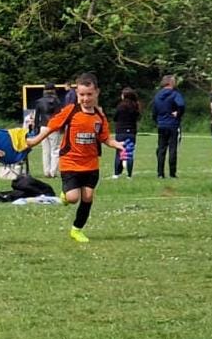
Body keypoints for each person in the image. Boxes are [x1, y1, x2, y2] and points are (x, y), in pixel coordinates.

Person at [25, 73, 128, 243]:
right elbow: (51, 127)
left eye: (89, 94)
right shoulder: (70, 111)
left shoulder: (100, 117)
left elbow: (105, 138)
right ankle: (65, 195)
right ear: (77, 94)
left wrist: (116, 144)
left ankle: (77, 230)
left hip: (91, 164)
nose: (85, 98)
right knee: (73, 198)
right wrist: (34, 140)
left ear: (97, 93)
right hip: (70, 162)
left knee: (87, 197)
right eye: (82, 95)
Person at [151, 74, 185, 179]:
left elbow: (154, 111)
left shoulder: (157, 96)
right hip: (173, 124)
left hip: (161, 125)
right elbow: (181, 105)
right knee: (172, 149)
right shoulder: (175, 94)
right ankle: (172, 173)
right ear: (170, 83)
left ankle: (160, 173)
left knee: (161, 149)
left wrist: (158, 121)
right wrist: (178, 113)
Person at [32, 82, 63, 177]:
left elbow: (36, 117)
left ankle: (46, 171)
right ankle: (53, 172)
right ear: (53, 90)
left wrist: (36, 129)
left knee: (45, 150)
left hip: (43, 127)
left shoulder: (39, 101)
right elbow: (59, 115)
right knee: (55, 149)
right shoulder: (57, 101)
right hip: (53, 127)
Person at [112, 88, 140, 179]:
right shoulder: (135, 106)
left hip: (121, 132)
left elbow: (115, 118)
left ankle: (117, 173)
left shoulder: (120, 106)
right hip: (131, 132)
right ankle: (129, 175)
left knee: (119, 152)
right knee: (129, 152)